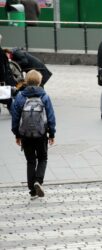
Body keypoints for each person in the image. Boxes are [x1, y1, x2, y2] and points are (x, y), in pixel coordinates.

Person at [11, 70, 56, 199]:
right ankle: (38, 181)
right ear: (39, 81)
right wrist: (52, 133)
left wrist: (17, 134)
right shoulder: (45, 96)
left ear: (26, 81)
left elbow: (15, 117)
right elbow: (51, 117)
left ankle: (32, 190)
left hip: (25, 134)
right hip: (41, 134)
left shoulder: (20, 96)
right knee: (42, 158)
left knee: (30, 161)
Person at [0, 34, 16, 114]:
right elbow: (3, 68)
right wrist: (3, 80)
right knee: (6, 96)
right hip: (2, 78)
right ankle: (13, 111)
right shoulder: (1, 53)